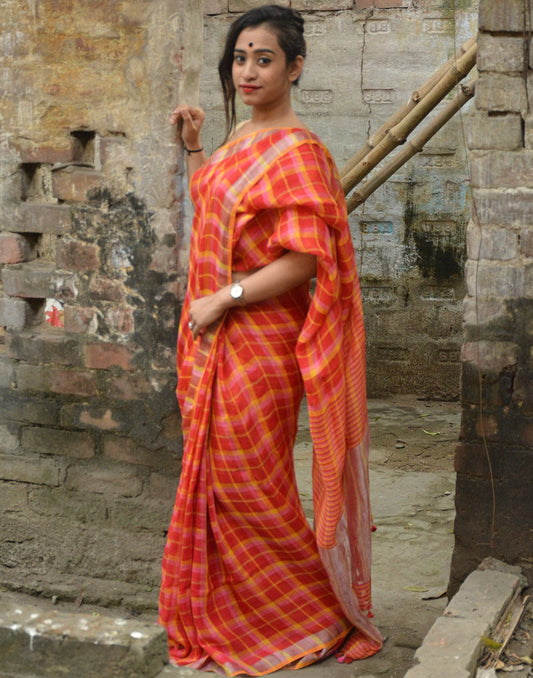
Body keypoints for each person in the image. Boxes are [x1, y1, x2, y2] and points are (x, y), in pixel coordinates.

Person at [159, 5, 383, 674]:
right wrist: (198, 148)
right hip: (212, 338)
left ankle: (312, 615)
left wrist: (222, 299)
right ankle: (242, 616)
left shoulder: (300, 152)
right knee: (219, 487)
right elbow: (220, 223)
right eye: (239, 58)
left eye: (263, 59)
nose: (248, 70)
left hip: (258, 343)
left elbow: (304, 260)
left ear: (295, 67)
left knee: (249, 484)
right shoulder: (234, 146)